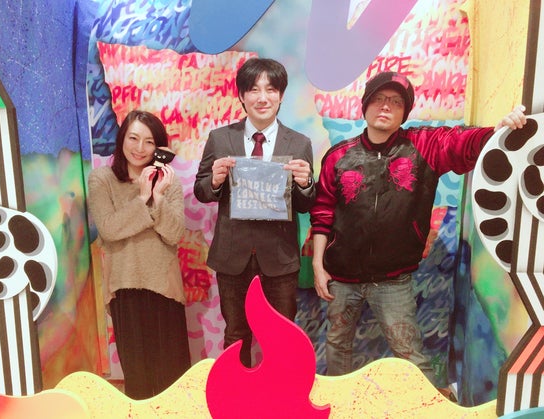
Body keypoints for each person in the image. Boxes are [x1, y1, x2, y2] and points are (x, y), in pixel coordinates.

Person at [310, 71, 526, 386]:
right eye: (378, 99)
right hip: (341, 278)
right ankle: (339, 401)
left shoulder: (425, 145)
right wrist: (318, 266)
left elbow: (463, 142)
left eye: (396, 102)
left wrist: (499, 131)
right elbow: (322, 212)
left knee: (410, 353)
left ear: (405, 112)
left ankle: (428, 404)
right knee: (337, 343)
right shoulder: (338, 157)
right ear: (365, 105)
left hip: (393, 281)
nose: (386, 106)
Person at [194, 57, 315, 367]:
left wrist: (305, 184)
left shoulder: (299, 143)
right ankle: (237, 394)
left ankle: (283, 393)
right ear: (241, 95)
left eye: (271, 89)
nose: (263, 98)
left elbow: (305, 205)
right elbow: (201, 190)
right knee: (236, 335)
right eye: (254, 89)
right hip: (232, 257)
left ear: (281, 95)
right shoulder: (220, 138)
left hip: (279, 259)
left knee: (283, 337)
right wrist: (215, 181)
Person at [88, 110, 191, 399]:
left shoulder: (168, 181)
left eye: (149, 142)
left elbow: (174, 234)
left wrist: (157, 197)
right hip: (124, 287)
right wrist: (143, 197)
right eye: (133, 138)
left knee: (174, 380)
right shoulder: (102, 179)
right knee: (138, 381)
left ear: (158, 147)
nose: (140, 148)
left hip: (165, 288)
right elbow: (109, 228)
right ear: (122, 139)